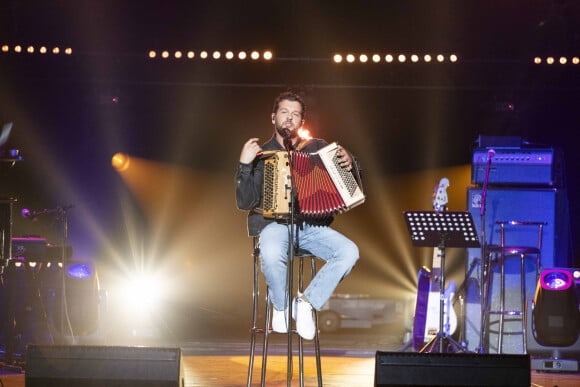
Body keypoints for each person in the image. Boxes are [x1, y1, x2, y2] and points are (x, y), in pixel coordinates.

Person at [235, 90, 361, 340]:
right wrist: (245, 165)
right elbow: (244, 202)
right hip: (274, 225)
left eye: (295, 115)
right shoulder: (261, 154)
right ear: (274, 117)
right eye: (284, 113)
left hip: (310, 226)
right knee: (270, 252)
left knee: (349, 252)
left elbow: (349, 188)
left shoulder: (317, 148)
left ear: (302, 122)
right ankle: (281, 307)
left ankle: (306, 303)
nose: (289, 118)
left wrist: (350, 161)